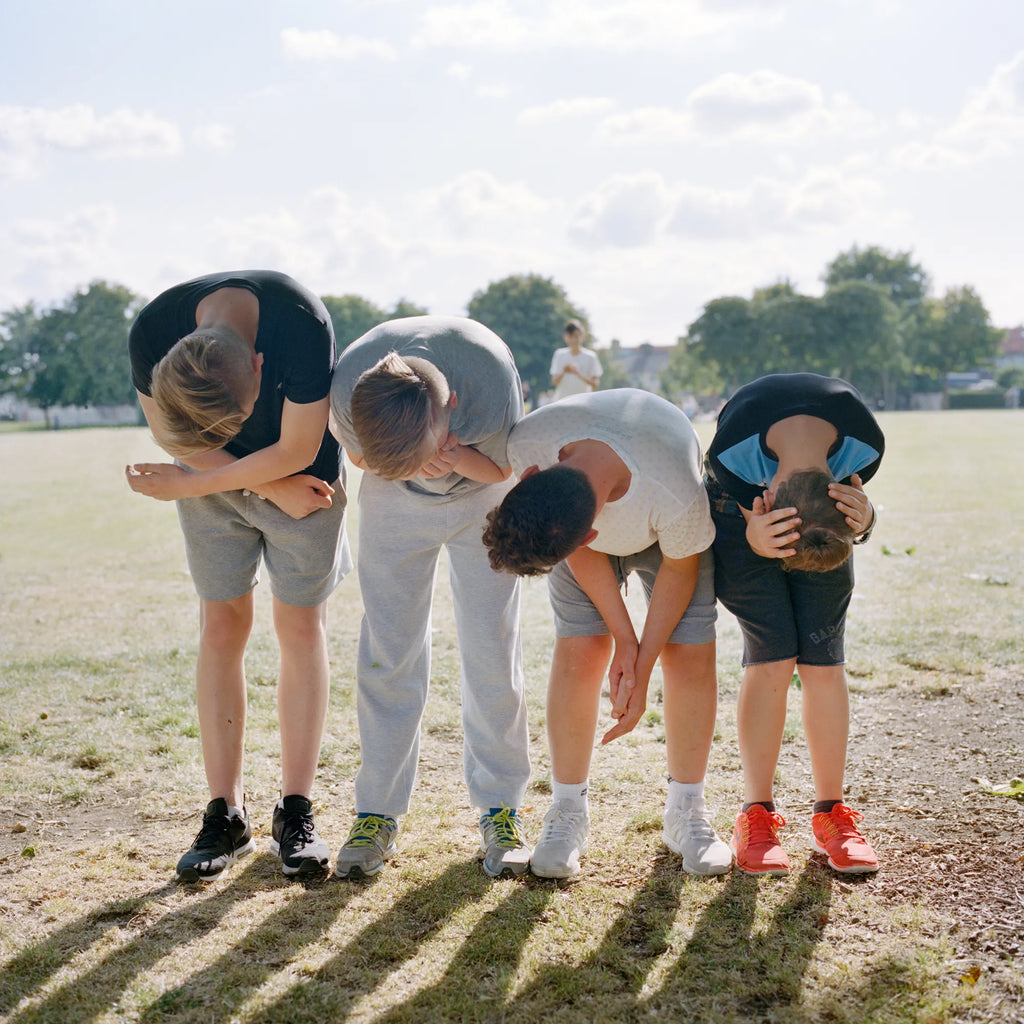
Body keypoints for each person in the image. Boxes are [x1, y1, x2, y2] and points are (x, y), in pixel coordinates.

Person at [126, 270, 352, 882]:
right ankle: (225, 812)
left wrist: (192, 481)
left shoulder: (300, 324)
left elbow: (295, 448)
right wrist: (225, 478)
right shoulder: (151, 332)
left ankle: (295, 810)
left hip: (306, 484)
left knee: (300, 629)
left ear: (260, 364)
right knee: (222, 629)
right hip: (220, 481)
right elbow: (177, 435)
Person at [483, 388, 732, 879]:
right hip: (582, 518)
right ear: (530, 476)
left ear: (592, 531)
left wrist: (641, 664)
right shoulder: (530, 443)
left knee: (689, 653)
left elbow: (680, 572)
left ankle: (686, 810)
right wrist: (622, 636)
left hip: (666, 534)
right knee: (581, 649)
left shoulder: (676, 493)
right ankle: (568, 809)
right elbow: (575, 547)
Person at [329, 316, 532, 880]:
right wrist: (409, 464)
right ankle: (376, 811)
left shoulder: (488, 376)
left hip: (482, 493)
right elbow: (364, 461)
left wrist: (459, 458)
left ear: (456, 406)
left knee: (492, 644)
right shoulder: (350, 388)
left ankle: (501, 807)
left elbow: (508, 464)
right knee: (388, 649)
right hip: (393, 499)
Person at [704, 372, 884, 876]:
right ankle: (755, 814)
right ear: (771, 487)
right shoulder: (735, 452)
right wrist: (755, 529)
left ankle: (832, 816)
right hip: (740, 515)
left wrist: (865, 521)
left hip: (826, 521)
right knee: (773, 657)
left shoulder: (864, 445)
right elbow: (750, 517)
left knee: (823, 661)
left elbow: (858, 510)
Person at [549, 319, 602, 401]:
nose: (573, 340)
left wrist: (578, 374)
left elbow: (595, 384)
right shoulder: (559, 354)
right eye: (570, 336)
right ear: (565, 337)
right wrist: (564, 372)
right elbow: (554, 382)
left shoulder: (591, 356)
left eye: (576, 336)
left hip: (583, 402)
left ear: (582, 336)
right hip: (562, 401)